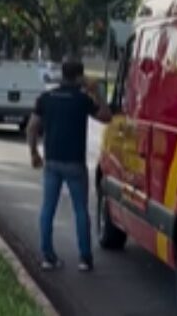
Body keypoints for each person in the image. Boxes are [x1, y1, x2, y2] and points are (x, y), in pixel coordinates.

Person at [27, 58, 112, 272]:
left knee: (48, 209)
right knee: (80, 210)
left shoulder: (46, 98)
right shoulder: (82, 100)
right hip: (75, 163)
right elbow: (106, 116)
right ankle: (84, 258)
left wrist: (34, 153)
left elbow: (31, 127)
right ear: (79, 77)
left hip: (52, 161)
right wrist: (97, 92)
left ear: (63, 75)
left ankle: (47, 256)